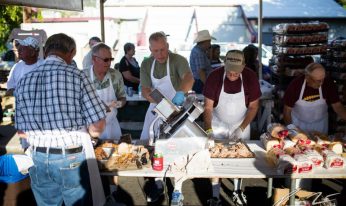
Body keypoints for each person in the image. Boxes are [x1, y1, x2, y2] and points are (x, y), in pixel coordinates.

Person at [15, 33, 107, 206]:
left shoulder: (23, 81)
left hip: (37, 157)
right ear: (71, 53)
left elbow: (21, 132)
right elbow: (97, 126)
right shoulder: (77, 76)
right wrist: (91, 135)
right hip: (70, 156)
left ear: (45, 51)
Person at [140, 31, 194, 202]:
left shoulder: (178, 60)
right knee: (156, 148)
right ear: (150, 49)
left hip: (176, 110)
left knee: (178, 150)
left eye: (162, 50)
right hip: (156, 111)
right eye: (155, 51)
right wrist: (157, 102)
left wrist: (180, 93)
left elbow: (188, 78)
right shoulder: (147, 64)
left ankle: (177, 189)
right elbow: (145, 89)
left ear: (167, 46)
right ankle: (157, 183)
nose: (160, 54)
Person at [203, 50, 261, 206]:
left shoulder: (250, 77)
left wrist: (241, 128)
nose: (233, 74)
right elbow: (208, 108)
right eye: (229, 71)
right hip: (217, 122)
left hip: (241, 122)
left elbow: (254, 107)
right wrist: (209, 132)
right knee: (215, 158)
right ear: (224, 64)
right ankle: (215, 195)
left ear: (243, 66)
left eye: (237, 72)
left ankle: (237, 190)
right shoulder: (214, 77)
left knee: (239, 158)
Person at [283, 62, 346, 134]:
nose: (322, 83)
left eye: (323, 79)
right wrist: (291, 129)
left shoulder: (328, 83)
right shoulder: (296, 85)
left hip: (320, 125)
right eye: (318, 81)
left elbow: (337, 106)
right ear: (307, 78)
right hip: (299, 125)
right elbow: (287, 110)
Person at [84, 42, 126, 140]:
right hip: (91, 127)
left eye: (110, 59)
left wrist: (118, 103)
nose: (109, 63)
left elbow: (123, 97)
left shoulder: (116, 75)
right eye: (105, 60)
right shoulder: (83, 75)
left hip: (111, 124)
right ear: (94, 59)